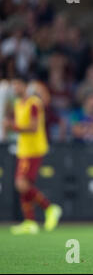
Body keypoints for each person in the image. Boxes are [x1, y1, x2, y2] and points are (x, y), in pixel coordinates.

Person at [3, 77, 62, 235]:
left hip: (34, 149)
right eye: (13, 85)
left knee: (21, 184)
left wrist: (12, 127)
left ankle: (49, 208)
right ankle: (30, 222)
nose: (15, 88)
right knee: (24, 186)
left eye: (17, 84)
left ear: (25, 86)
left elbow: (33, 127)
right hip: (24, 149)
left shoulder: (34, 103)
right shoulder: (18, 103)